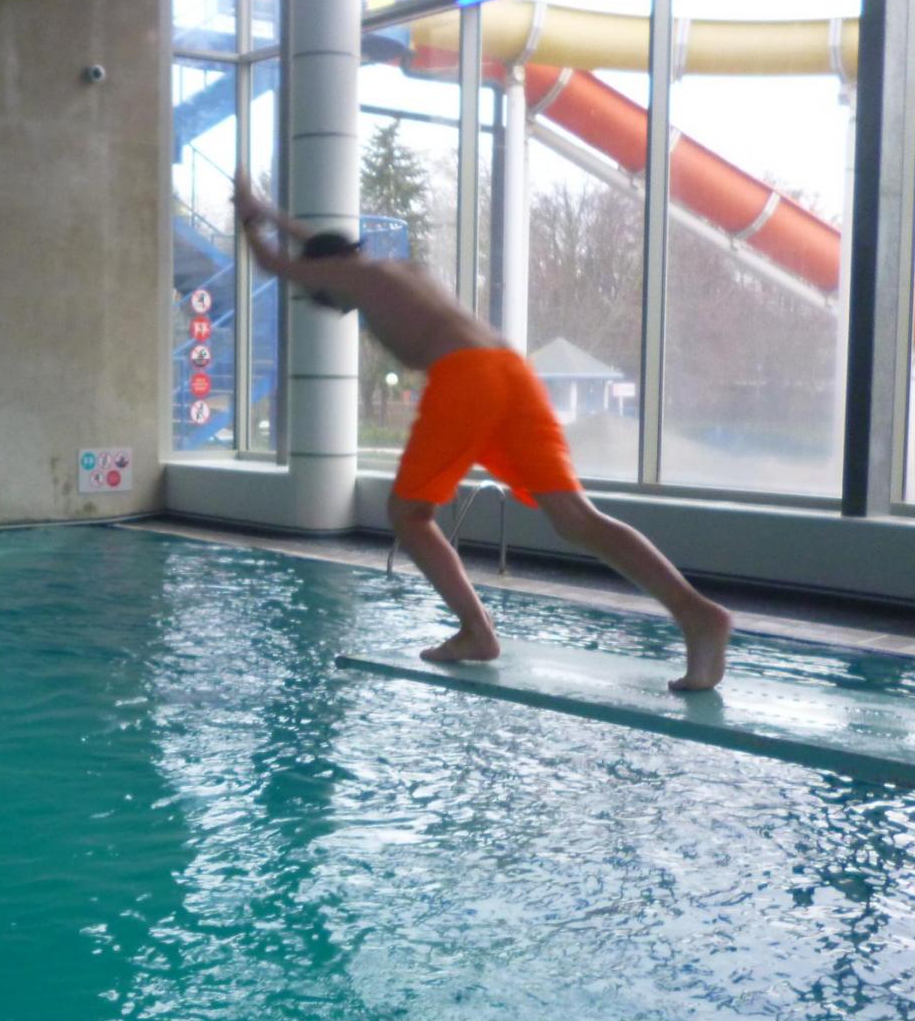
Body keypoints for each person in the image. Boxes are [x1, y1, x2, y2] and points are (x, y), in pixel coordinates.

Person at [233, 173, 731, 691]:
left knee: (408, 515)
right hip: (509, 370)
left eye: (320, 294)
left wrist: (248, 217)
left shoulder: (343, 274)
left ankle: (476, 630)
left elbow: (277, 263)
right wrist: (270, 211)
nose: (330, 304)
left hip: (465, 376)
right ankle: (696, 614)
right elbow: (319, 244)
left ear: (324, 273)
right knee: (576, 518)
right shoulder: (395, 268)